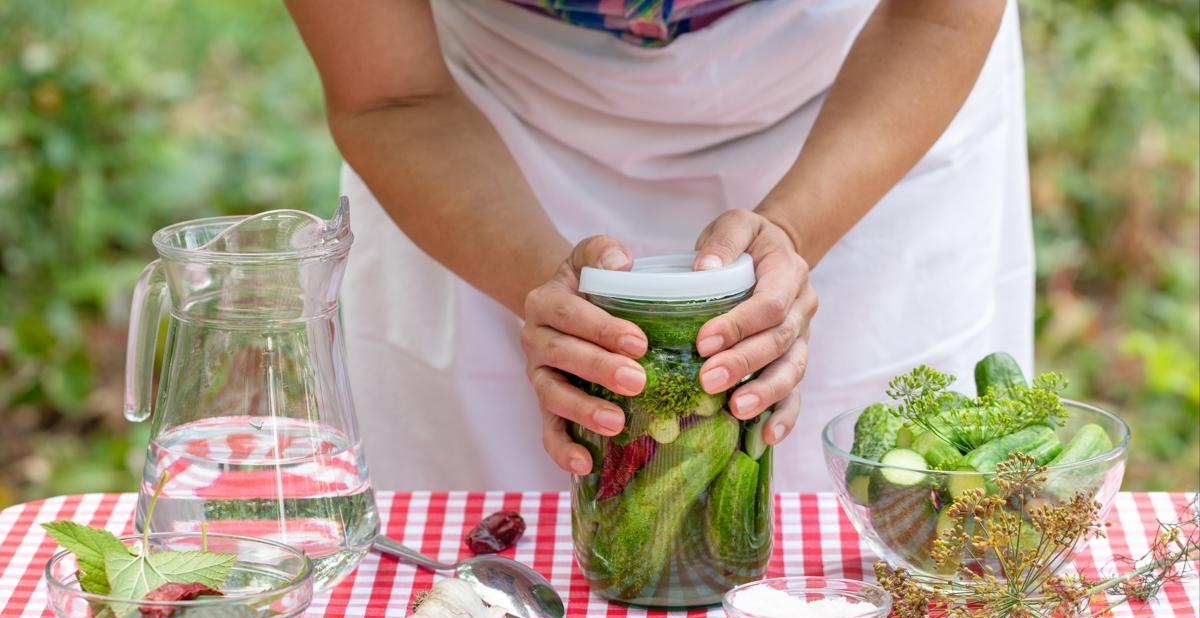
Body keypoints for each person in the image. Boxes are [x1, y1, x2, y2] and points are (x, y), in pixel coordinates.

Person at [286, 0, 1032, 492]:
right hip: (477, 110)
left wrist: (798, 232)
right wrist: (536, 285)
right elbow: (390, 92)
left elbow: (939, 17)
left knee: (872, 525)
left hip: (864, 76)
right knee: (481, 553)